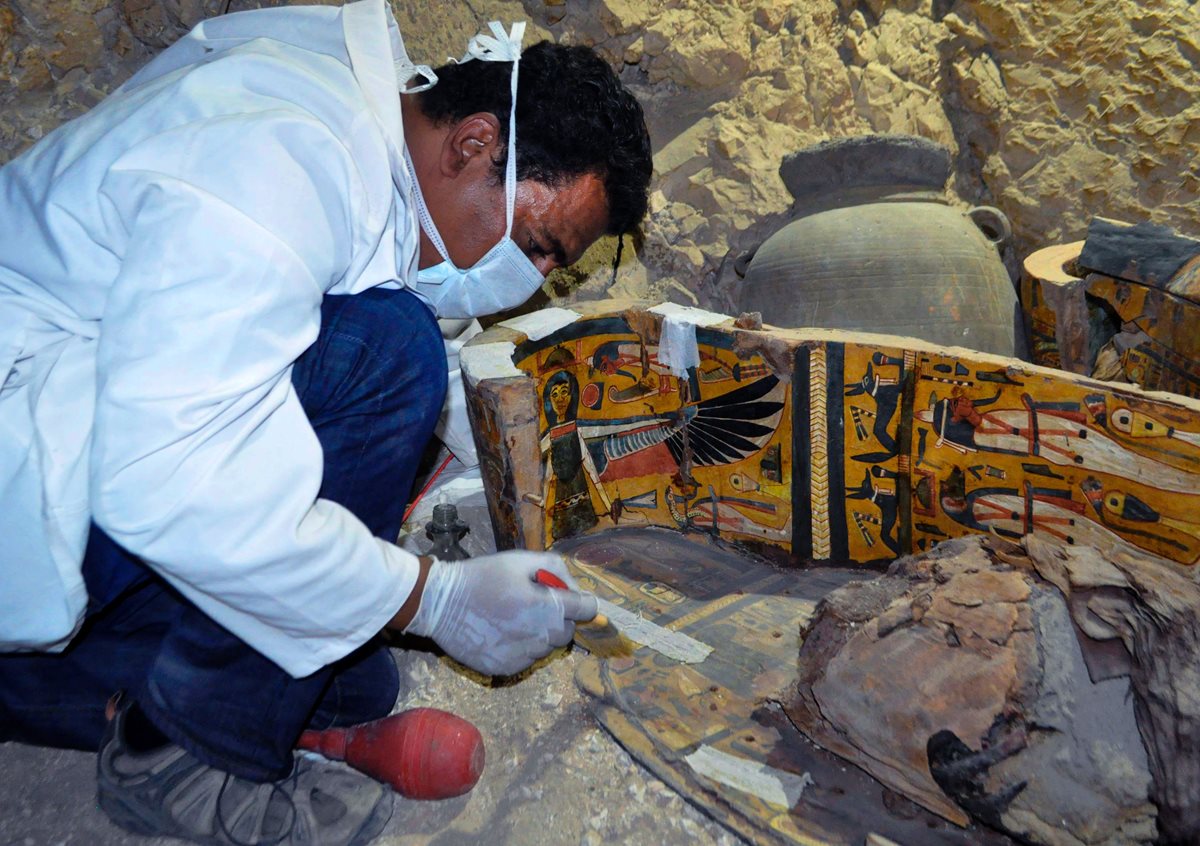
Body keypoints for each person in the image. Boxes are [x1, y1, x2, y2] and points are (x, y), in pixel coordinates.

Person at [0, 0, 653, 843]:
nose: (528, 281)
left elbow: (336, 308)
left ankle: (66, 685)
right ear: (474, 145)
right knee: (392, 354)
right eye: (537, 244)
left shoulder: (368, 152)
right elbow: (166, 477)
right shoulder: (281, 154)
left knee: (351, 679)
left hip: (78, 459)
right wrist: (436, 600)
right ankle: (183, 756)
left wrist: (489, 465)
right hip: (36, 451)